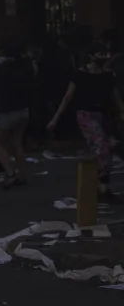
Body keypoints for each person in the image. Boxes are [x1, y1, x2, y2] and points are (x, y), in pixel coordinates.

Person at [47, 50, 124, 198]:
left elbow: (115, 96)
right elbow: (68, 96)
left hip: (101, 114)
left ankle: (102, 187)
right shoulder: (80, 74)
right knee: (102, 147)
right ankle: (96, 184)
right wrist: (55, 118)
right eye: (100, 53)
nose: (103, 57)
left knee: (106, 149)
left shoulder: (107, 75)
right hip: (85, 115)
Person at [0, 41, 34, 187]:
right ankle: (23, 174)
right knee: (17, 143)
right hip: (23, 109)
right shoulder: (26, 66)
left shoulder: (1, 69)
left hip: (6, 110)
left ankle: (10, 173)